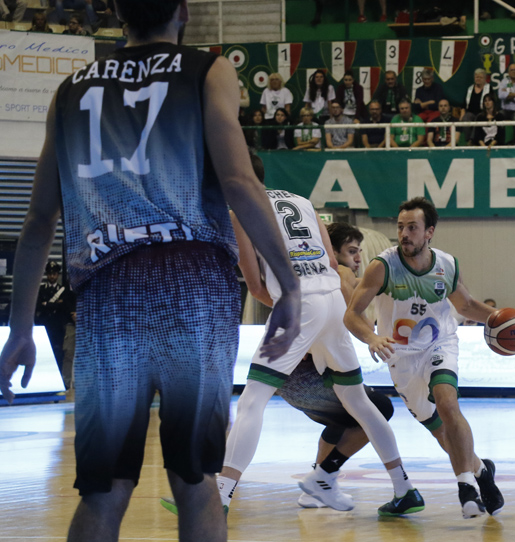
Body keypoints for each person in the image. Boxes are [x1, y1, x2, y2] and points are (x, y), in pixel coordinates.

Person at [0, 2, 302, 542]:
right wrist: (290, 285)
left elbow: (40, 219)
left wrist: (21, 328)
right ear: (183, 11)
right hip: (194, 282)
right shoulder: (208, 69)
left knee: (104, 489)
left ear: (118, 11)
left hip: (108, 289)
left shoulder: (70, 89)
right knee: (195, 478)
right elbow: (239, 181)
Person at [215, 170, 424, 517]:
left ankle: (219, 497)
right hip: (332, 300)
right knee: (359, 403)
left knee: (252, 401)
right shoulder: (304, 202)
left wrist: (289, 307)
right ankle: (404, 488)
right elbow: (330, 262)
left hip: (297, 303)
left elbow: (254, 286)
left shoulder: (239, 212)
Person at [344, 197, 505, 519]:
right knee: (441, 431)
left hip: (438, 344)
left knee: (447, 403)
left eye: (412, 228)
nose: (404, 234)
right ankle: (481, 470)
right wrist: (372, 337)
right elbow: (352, 314)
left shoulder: (447, 265)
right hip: (401, 357)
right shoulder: (382, 266)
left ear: (429, 232)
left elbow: (466, 305)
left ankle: (466, 488)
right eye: (401, 227)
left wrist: (502, 318)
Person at [35, 261, 74, 370]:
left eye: (54, 274)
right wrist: (55, 304)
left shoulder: (63, 291)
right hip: (44, 325)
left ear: (58, 275)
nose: (52, 276)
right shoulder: (41, 290)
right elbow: (38, 306)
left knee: (58, 353)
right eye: (50, 274)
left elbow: (64, 307)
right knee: (43, 351)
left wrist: (46, 304)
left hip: (58, 327)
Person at [460, 68, 493, 142]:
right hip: (470, 113)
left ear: (484, 78)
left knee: (479, 118)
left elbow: (492, 103)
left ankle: (473, 140)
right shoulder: (470, 89)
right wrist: (462, 116)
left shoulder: (489, 88)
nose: (478, 79)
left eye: (480, 77)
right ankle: (468, 140)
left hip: (483, 112)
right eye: (476, 77)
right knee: (466, 118)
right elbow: (464, 105)